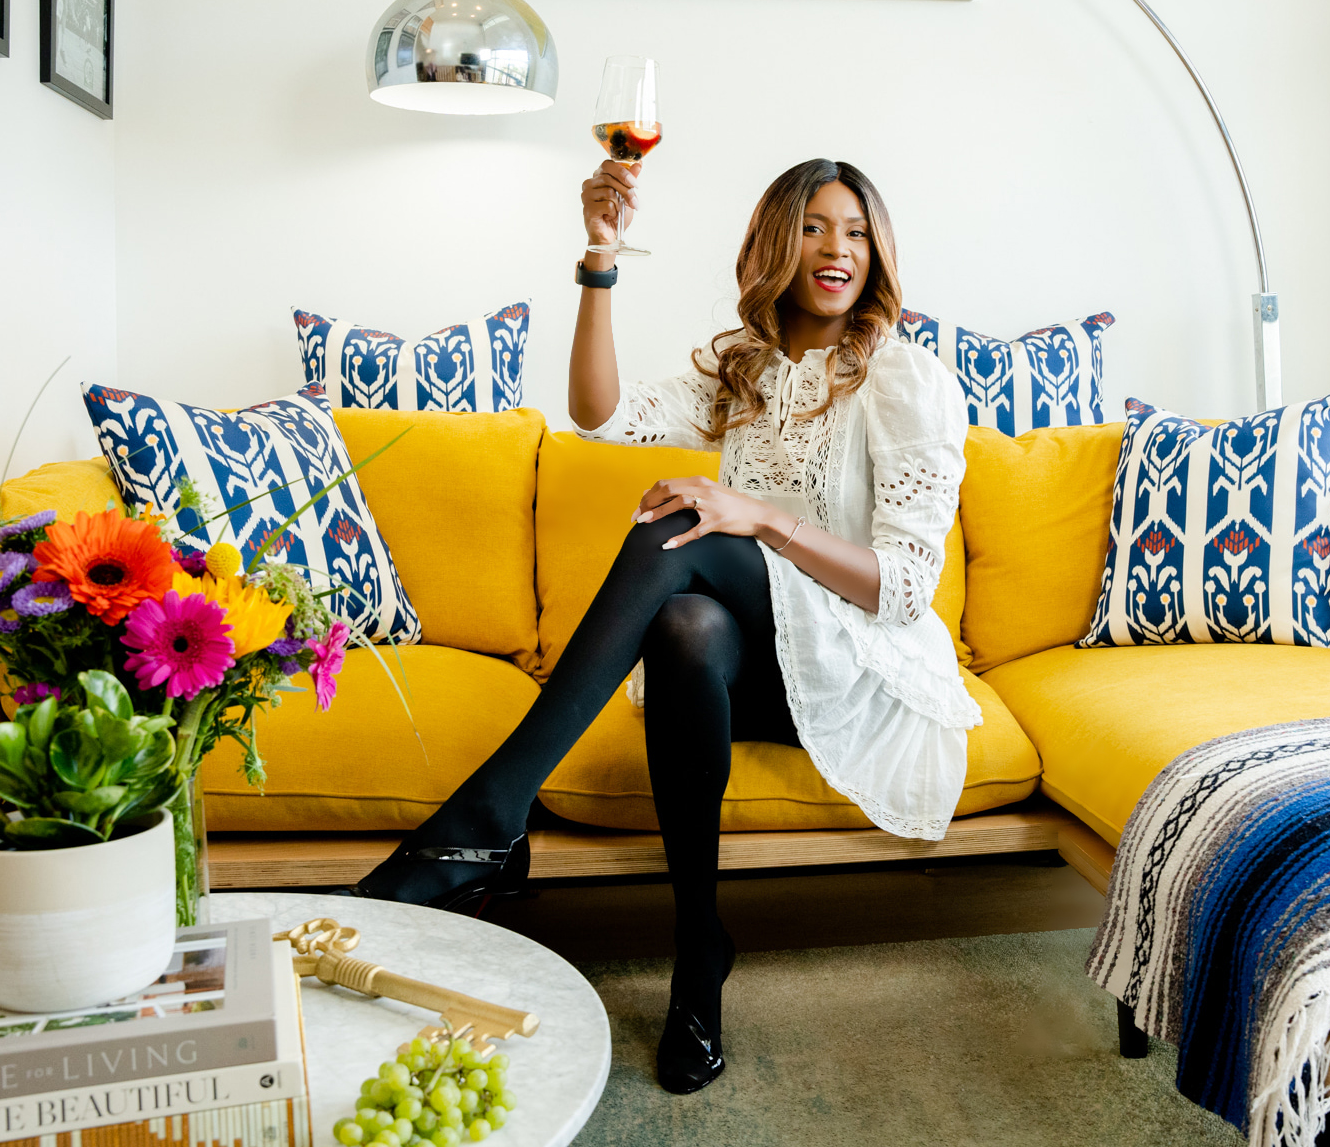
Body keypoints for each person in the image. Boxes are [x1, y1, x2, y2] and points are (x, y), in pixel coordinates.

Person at [347, 157, 979, 1094]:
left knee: (684, 524)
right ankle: (698, 949)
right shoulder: (744, 368)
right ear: (777, 243)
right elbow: (599, 414)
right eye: (812, 227)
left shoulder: (903, 379)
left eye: (852, 230)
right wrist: (600, 260)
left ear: (875, 251)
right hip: (756, 674)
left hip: (862, 669)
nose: (834, 248)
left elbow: (902, 591)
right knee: (685, 626)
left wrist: (756, 515)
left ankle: (484, 823)